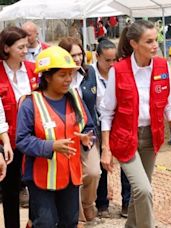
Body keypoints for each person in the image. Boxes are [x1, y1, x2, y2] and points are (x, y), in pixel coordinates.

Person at [100, 20, 171, 228]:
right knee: (144, 190)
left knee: (140, 192)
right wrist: (105, 148)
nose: (155, 45)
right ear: (134, 44)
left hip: (151, 137)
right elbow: (106, 111)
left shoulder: (163, 66)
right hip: (125, 139)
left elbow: (169, 105)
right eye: (149, 41)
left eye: (156, 40)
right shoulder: (118, 71)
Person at [16, 45, 95, 227]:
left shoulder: (75, 97)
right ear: (47, 76)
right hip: (41, 178)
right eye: (62, 75)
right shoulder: (30, 103)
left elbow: (89, 127)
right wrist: (50, 146)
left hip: (70, 176)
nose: (68, 79)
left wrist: (86, 139)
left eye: (70, 74)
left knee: (69, 222)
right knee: (46, 222)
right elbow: (22, 140)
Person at [59, 37, 101, 225]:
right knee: (72, 177)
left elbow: (99, 102)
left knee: (93, 172)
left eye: (79, 54)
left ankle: (88, 204)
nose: (77, 58)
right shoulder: (58, 76)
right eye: (72, 55)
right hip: (64, 135)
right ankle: (79, 218)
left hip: (88, 131)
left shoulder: (89, 73)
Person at [0, 26, 39, 228]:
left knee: (37, 187)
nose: (25, 50)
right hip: (7, 142)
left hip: (33, 140)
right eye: (21, 47)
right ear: (6, 48)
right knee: (11, 192)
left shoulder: (34, 70)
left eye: (27, 46)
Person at [92, 38, 132, 218]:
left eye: (114, 59)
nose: (111, 64)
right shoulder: (90, 75)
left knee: (127, 164)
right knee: (103, 163)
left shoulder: (120, 72)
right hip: (100, 125)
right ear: (97, 57)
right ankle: (101, 204)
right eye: (107, 60)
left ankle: (127, 203)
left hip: (121, 123)